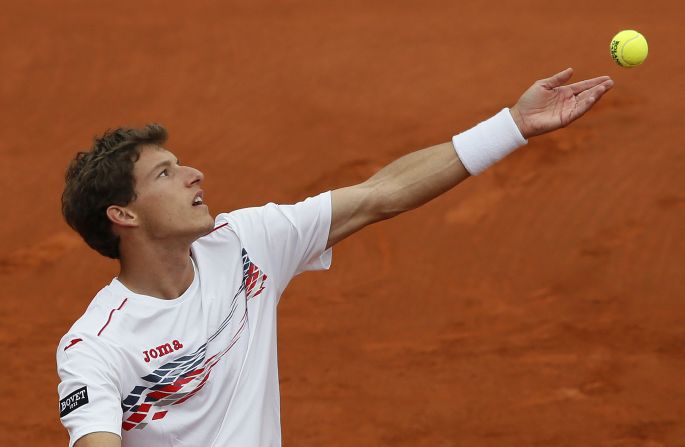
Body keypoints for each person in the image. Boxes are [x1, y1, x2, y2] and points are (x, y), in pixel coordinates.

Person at [56, 68, 613, 447]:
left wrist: (512, 126)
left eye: (180, 164)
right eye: (164, 174)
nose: (193, 174)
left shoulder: (244, 242)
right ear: (123, 216)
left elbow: (380, 194)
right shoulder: (98, 347)